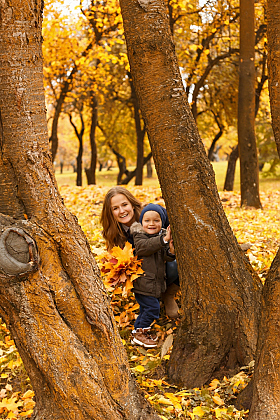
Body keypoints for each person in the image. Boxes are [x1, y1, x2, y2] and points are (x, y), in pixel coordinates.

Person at [100, 187, 180, 317]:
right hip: (146, 272)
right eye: (115, 208)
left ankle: (169, 294)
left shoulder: (152, 214)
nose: (122, 211)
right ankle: (152, 297)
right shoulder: (114, 232)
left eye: (124, 205)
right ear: (110, 213)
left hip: (165, 259)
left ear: (132, 204)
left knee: (174, 264)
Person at [130, 204, 175, 347]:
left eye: (156, 220)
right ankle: (140, 333)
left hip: (154, 283)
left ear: (162, 222)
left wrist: (171, 252)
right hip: (143, 283)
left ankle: (138, 334)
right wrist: (164, 240)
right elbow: (144, 248)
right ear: (141, 222)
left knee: (145, 309)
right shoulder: (139, 235)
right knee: (152, 309)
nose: (151, 224)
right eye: (147, 220)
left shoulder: (161, 236)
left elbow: (165, 258)